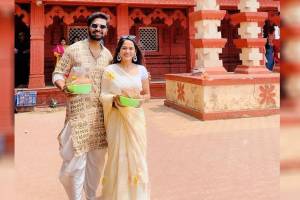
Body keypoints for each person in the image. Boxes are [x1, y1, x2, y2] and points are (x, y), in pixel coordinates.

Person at [52, 12, 112, 200]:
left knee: (97, 163)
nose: (98, 29)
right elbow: (58, 73)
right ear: (89, 27)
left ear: (106, 30)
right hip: (78, 113)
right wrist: (63, 87)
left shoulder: (108, 55)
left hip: (101, 116)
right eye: (95, 25)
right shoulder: (74, 49)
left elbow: (116, 80)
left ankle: (91, 197)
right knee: (74, 166)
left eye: (102, 26)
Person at [100, 35, 151, 200]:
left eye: (131, 48)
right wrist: (114, 100)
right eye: (124, 48)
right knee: (117, 155)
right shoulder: (110, 71)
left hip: (135, 118)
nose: (127, 51)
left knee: (137, 156)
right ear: (119, 51)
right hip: (117, 117)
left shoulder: (141, 70)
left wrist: (139, 100)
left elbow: (148, 94)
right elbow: (103, 95)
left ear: (135, 51)